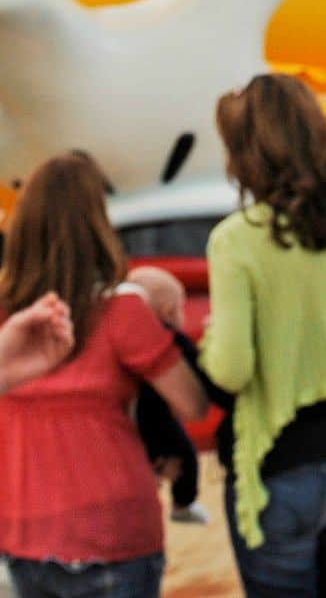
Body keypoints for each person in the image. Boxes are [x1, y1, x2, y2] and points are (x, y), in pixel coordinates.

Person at [204, 74, 326, 596]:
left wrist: (206, 337)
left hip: (282, 469)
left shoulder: (236, 241)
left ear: (247, 153)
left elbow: (230, 369)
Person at [0, 155, 208, 597]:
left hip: (21, 529)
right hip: (115, 528)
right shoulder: (123, 311)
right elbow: (192, 405)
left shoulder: (5, 312)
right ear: (98, 223)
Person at [125, 265, 213, 526]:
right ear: (168, 312)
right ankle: (182, 504)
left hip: (129, 423)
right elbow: (200, 376)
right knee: (186, 455)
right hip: (158, 419)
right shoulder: (170, 338)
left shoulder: (118, 334)